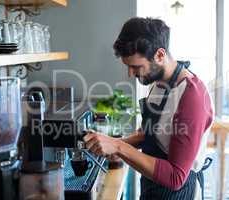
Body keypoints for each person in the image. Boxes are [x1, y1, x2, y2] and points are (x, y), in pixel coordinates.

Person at [83, 17, 214, 200]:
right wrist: (112, 145)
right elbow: (148, 134)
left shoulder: (192, 96)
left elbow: (176, 177)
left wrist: (119, 147)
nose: (130, 73)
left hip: (177, 194)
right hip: (151, 186)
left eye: (135, 66)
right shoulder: (159, 82)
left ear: (160, 55)